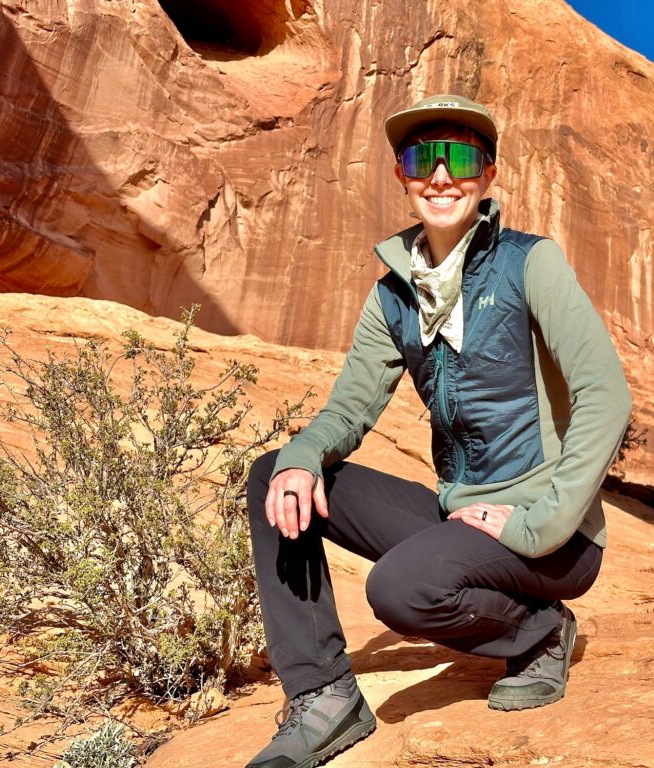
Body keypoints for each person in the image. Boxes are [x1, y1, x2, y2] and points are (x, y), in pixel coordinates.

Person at [244, 93, 632, 768]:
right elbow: (348, 411)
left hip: (552, 535)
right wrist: (303, 456)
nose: (441, 175)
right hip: (464, 520)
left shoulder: (528, 264)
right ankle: (323, 696)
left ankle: (539, 632)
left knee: (400, 590)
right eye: (423, 157)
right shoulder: (393, 295)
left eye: (460, 156)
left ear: (487, 175)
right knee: (272, 474)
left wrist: (535, 525)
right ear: (402, 173)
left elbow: (605, 396)